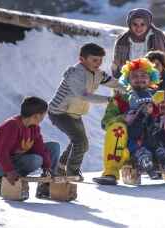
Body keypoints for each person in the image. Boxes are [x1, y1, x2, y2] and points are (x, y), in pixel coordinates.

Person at [48, 43, 125, 180]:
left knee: (79, 142)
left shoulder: (97, 73)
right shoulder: (75, 74)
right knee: (81, 142)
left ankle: (60, 166)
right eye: (94, 60)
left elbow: (113, 82)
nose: (98, 63)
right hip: (60, 112)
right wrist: (109, 100)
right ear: (82, 59)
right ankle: (72, 172)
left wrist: (128, 89)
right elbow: (83, 95)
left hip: (75, 113)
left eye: (100, 60)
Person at [0, 96, 60, 198]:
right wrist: (9, 171)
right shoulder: (12, 126)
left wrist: (47, 167)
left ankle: (46, 185)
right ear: (36, 116)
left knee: (54, 147)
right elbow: (1, 153)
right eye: (43, 115)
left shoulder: (34, 128)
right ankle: (3, 181)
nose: (43, 118)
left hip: (16, 160)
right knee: (35, 160)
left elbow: (40, 148)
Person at [111, 8, 165, 78]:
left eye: (142, 24)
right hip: (131, 82)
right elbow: (116, 65)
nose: (138, 28)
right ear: (129, 24)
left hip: (156, 82)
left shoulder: (157, 37)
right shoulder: (122, 40)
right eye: (135, 24)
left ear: (148, 24)